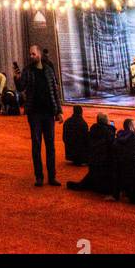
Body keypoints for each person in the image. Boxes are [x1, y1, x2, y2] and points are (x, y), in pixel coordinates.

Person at [18, 44, 63, 187]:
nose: (31, 56)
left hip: (49, 113)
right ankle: (39, 177)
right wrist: (16, 78)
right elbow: (20, 87)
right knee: (36, 145)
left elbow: (55, 92)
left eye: (33, 54)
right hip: (34, 114)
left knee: (50, 146)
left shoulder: (49, 70)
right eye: (30, 54)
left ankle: (52, 176)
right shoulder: (27, 71)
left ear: (39, 54)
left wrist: (59, 111)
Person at [67, 113, 116, 195]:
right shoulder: (109, 132)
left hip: (92, 162)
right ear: (106, 122)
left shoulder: (92, 131)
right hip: (104, 164)